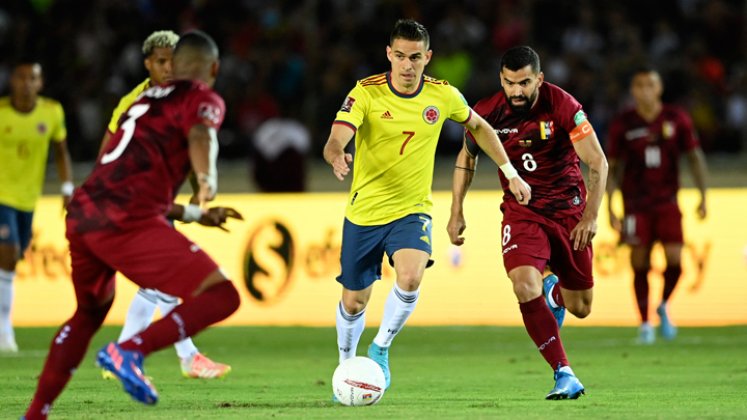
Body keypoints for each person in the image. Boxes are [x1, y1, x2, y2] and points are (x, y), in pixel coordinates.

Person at [23, 30, 241, 419]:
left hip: (85, 213)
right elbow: (202, 135)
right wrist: (207, 183)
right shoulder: (202, 97)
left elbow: (119, 176)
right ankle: (130, 351)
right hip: (126, 221)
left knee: (87, 314)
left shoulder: (137, 102)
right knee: (222, 295)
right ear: (214, 68)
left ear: (171, 66)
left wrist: (194, 214)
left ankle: (36, 412)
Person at [323, 19, 531, 395]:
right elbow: (336, 137)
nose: (407, 65)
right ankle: (346, 364)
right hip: (365, 213)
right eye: (400, 56)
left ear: (428, 57)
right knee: (354, 302)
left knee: (411, 276)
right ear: (389, 54)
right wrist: (338, 155)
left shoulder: (443, 95)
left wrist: (510, 171)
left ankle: (381, 348)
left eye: (415, 57)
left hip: (412, 209)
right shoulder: (365, 93)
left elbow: (481, 127)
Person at [447, 46, 608, 400]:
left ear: (539, 78)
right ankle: (563, 372)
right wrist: (456, 210)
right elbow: (466, 156)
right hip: (523, 211)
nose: (516, 91)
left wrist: (591, 216)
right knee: (522, 284)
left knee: (580, 307)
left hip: (569, 212)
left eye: (523, 83)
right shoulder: (488, 112)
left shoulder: (562, 105)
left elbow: (598, 162)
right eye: (508, 83)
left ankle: (555, 291)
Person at [99, 29, 231, 380]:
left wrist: (195, 194)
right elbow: (109, 151)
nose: (170, 68)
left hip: (153, 202)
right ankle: (132, 351)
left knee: (165, 283)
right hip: (132, 202)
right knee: (179, 283)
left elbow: (192, 146)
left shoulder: (176, 98)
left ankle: (166, 355)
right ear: (147, 65)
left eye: (175, 61)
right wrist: (205, 186)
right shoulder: (138, 101)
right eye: (162, 62)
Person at [606, 67, 708, 344]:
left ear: (659, 88)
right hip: (635, 204)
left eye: (651, 85)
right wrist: (610, 207)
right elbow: (611, 167)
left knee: (676, 260)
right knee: (639, 262)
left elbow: (694, 156)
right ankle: (644, 323)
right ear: (633, 91)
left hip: (667, 202)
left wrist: (703, 195)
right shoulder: (624, 123)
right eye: (640, 85)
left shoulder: (676, 118)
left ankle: (663, 304)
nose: (645, 90)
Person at [0, 59, 74, 353]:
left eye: (32, 78)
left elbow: (61, 151)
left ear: (40, 83)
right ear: (12, 81)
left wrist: (67, 188)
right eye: (21, 78)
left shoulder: (52, 112)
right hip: (1, 195)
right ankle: (4, 332)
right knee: (8, 253)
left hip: (28, 198)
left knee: (13, 257)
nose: (26, 83)